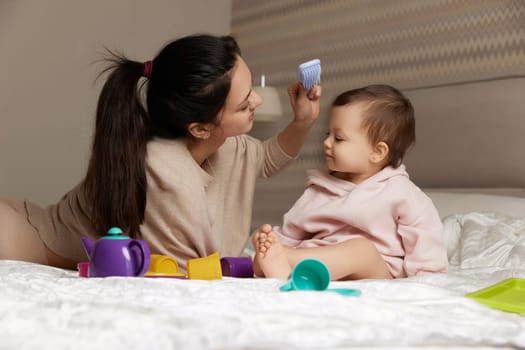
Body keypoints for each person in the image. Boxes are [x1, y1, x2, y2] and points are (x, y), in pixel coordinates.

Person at [0, 34, 321, 272]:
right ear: (200, 128)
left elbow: (265, 159)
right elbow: (183, 271)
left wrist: (302, 121)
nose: (258, 102)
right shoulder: (164, 167)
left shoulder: (225, 144)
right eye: (245, 102)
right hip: (28, 240)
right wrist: (253, 267)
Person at [252, 84, 448, 280]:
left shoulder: (402, 193)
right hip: (319, 259)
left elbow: (426, 247)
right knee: (263, 244)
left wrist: (427, 278)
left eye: (338, 138)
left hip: (376, 271)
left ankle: (289, 261)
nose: (327, 143)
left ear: (377, 152)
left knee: (361, 250)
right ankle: (285, 265)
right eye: (327, 134)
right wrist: (269, 241)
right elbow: (292, 232)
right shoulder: (319, 189)